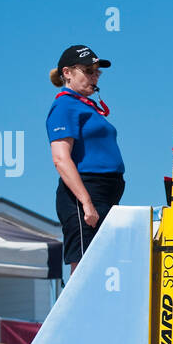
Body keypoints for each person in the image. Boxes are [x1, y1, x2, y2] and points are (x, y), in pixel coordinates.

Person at [47, 45, 124, 274]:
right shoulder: (64, 105)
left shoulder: (87, 106)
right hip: (85, 192)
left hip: (105, 193)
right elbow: (61, 158)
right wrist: (86, 202)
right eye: (88, 71)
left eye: (97, 72)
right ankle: (79, 311)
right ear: (68, 72)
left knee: (102, 264)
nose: (95, 76)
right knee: (84, 267)